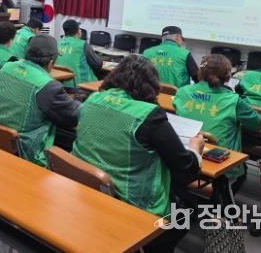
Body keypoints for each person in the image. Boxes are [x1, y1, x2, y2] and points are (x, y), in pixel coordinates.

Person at [71, 54, 203, 253]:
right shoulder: (149, 115)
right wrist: (195, 148)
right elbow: (185, 165)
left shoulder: (92, 99)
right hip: (130, 202)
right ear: (151, 84)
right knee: (186, 211)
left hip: (88, 188)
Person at [0, 35, 80, 167]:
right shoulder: (47, 86)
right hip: (24, 154)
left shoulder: (6, 67)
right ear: (51, 63)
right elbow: (73, 116)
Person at [174, 54, 261, 183]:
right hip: (220, 164)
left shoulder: (182, 92)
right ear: (227, 76)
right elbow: (258, 123)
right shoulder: (233, 100)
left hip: (185, 157)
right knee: (242, 172)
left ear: (201, 71)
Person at [56, 19, 103, 87]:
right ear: (78, 32)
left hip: (61, 84)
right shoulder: (82, 44)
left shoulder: (58, 43)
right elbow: (98, 64)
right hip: (82, 85)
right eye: (79, 29)